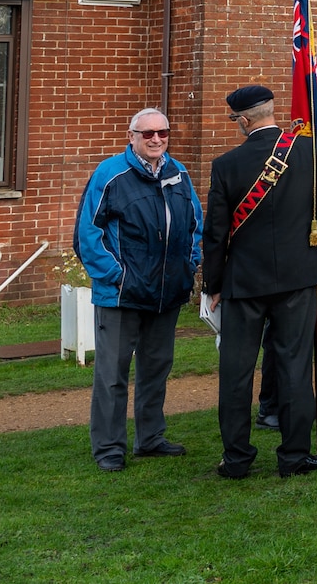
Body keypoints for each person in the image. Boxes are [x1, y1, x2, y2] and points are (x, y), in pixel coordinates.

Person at [202, 85, 317, 479]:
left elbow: (215, 234)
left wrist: (212, 284)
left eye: (235, 121)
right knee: (295, 367)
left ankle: (237, 458)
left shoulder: (226, 165)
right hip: (300, 277)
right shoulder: (310, 150)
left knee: (236, 371)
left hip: (244, 281)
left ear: (244, 120)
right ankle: (294, 457)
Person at [76, 106, 202, 470]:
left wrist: (189, 264)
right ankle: (109, 448)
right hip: (122, 296)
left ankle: (150, 438)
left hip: (166, 294)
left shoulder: (179, 173)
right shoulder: (110, 174)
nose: (156, 139)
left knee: (156, 368)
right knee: (112, 375)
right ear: (131, 137)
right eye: (147, 134)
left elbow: (195, 222)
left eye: (162, 133)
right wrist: (119, 277)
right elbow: (87, 235)